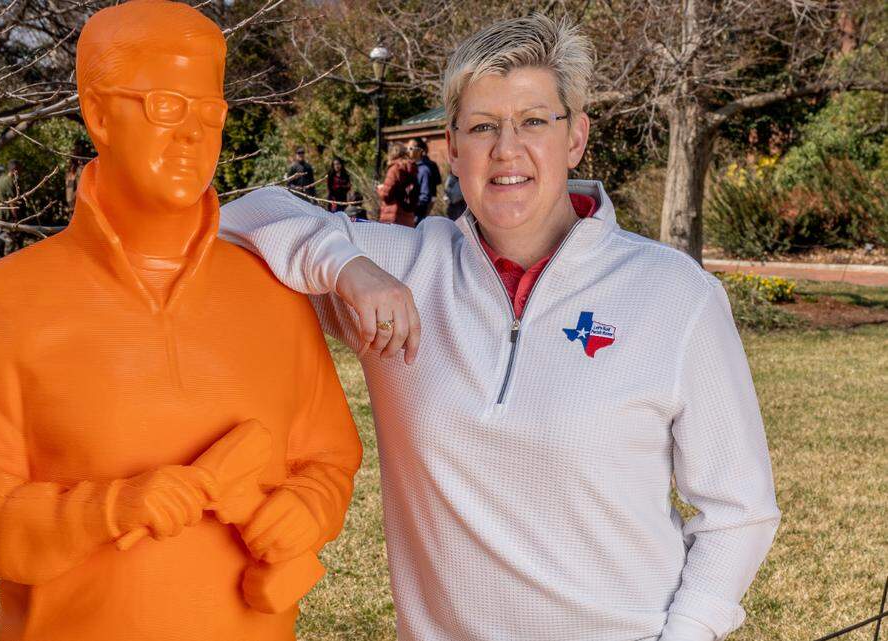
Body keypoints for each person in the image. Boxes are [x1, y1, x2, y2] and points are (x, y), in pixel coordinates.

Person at [220, 13, 779, 641]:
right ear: (453, 148)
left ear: (576, 138)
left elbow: (739, 512)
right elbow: (237, 218)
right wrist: (346, 266)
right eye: (483, 126)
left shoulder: (675, 295)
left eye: (534, 121)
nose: (507, 149)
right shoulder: (406, 269)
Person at [0, 2, 362, 640]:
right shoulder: (10, 300)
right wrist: (105, 510)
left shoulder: (275, 294)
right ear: (98, 114)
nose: (193, 133)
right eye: (166, 106)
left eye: (209, 112)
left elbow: (330, 458)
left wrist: (306, 508)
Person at [376, 142, 418, 226]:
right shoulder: (412, 168)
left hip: (393, 216)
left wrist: (380, 189)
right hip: (408, 215)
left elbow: (386, 194)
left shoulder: (394, 169)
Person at [406, 137, 441, 224]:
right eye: (407, 148)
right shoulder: (409, 166)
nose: (407, 151)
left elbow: (426, 195)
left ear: (419, 150)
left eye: (411, 148)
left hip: (418, 212)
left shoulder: (424, 169)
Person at [0, 160, 25, 256]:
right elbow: (11, 201)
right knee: (10, 239)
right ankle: (7, 259)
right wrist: (16, 217)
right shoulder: (9, 181)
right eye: (20, 169)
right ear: (15, 170)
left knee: (2, 235)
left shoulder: (1, 178)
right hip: (7, 214)